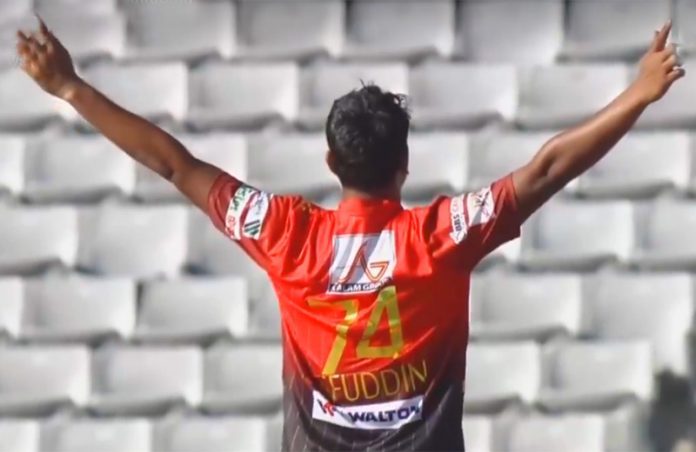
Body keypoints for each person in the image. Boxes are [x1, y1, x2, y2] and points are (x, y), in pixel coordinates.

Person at [17, 17, 683, 451]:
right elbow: (547, 169)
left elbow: (174, 164)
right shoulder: (442, 237)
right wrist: (638, 94)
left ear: (332, 163)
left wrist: (71, 87)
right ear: (405, 165)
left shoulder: (286, 235)